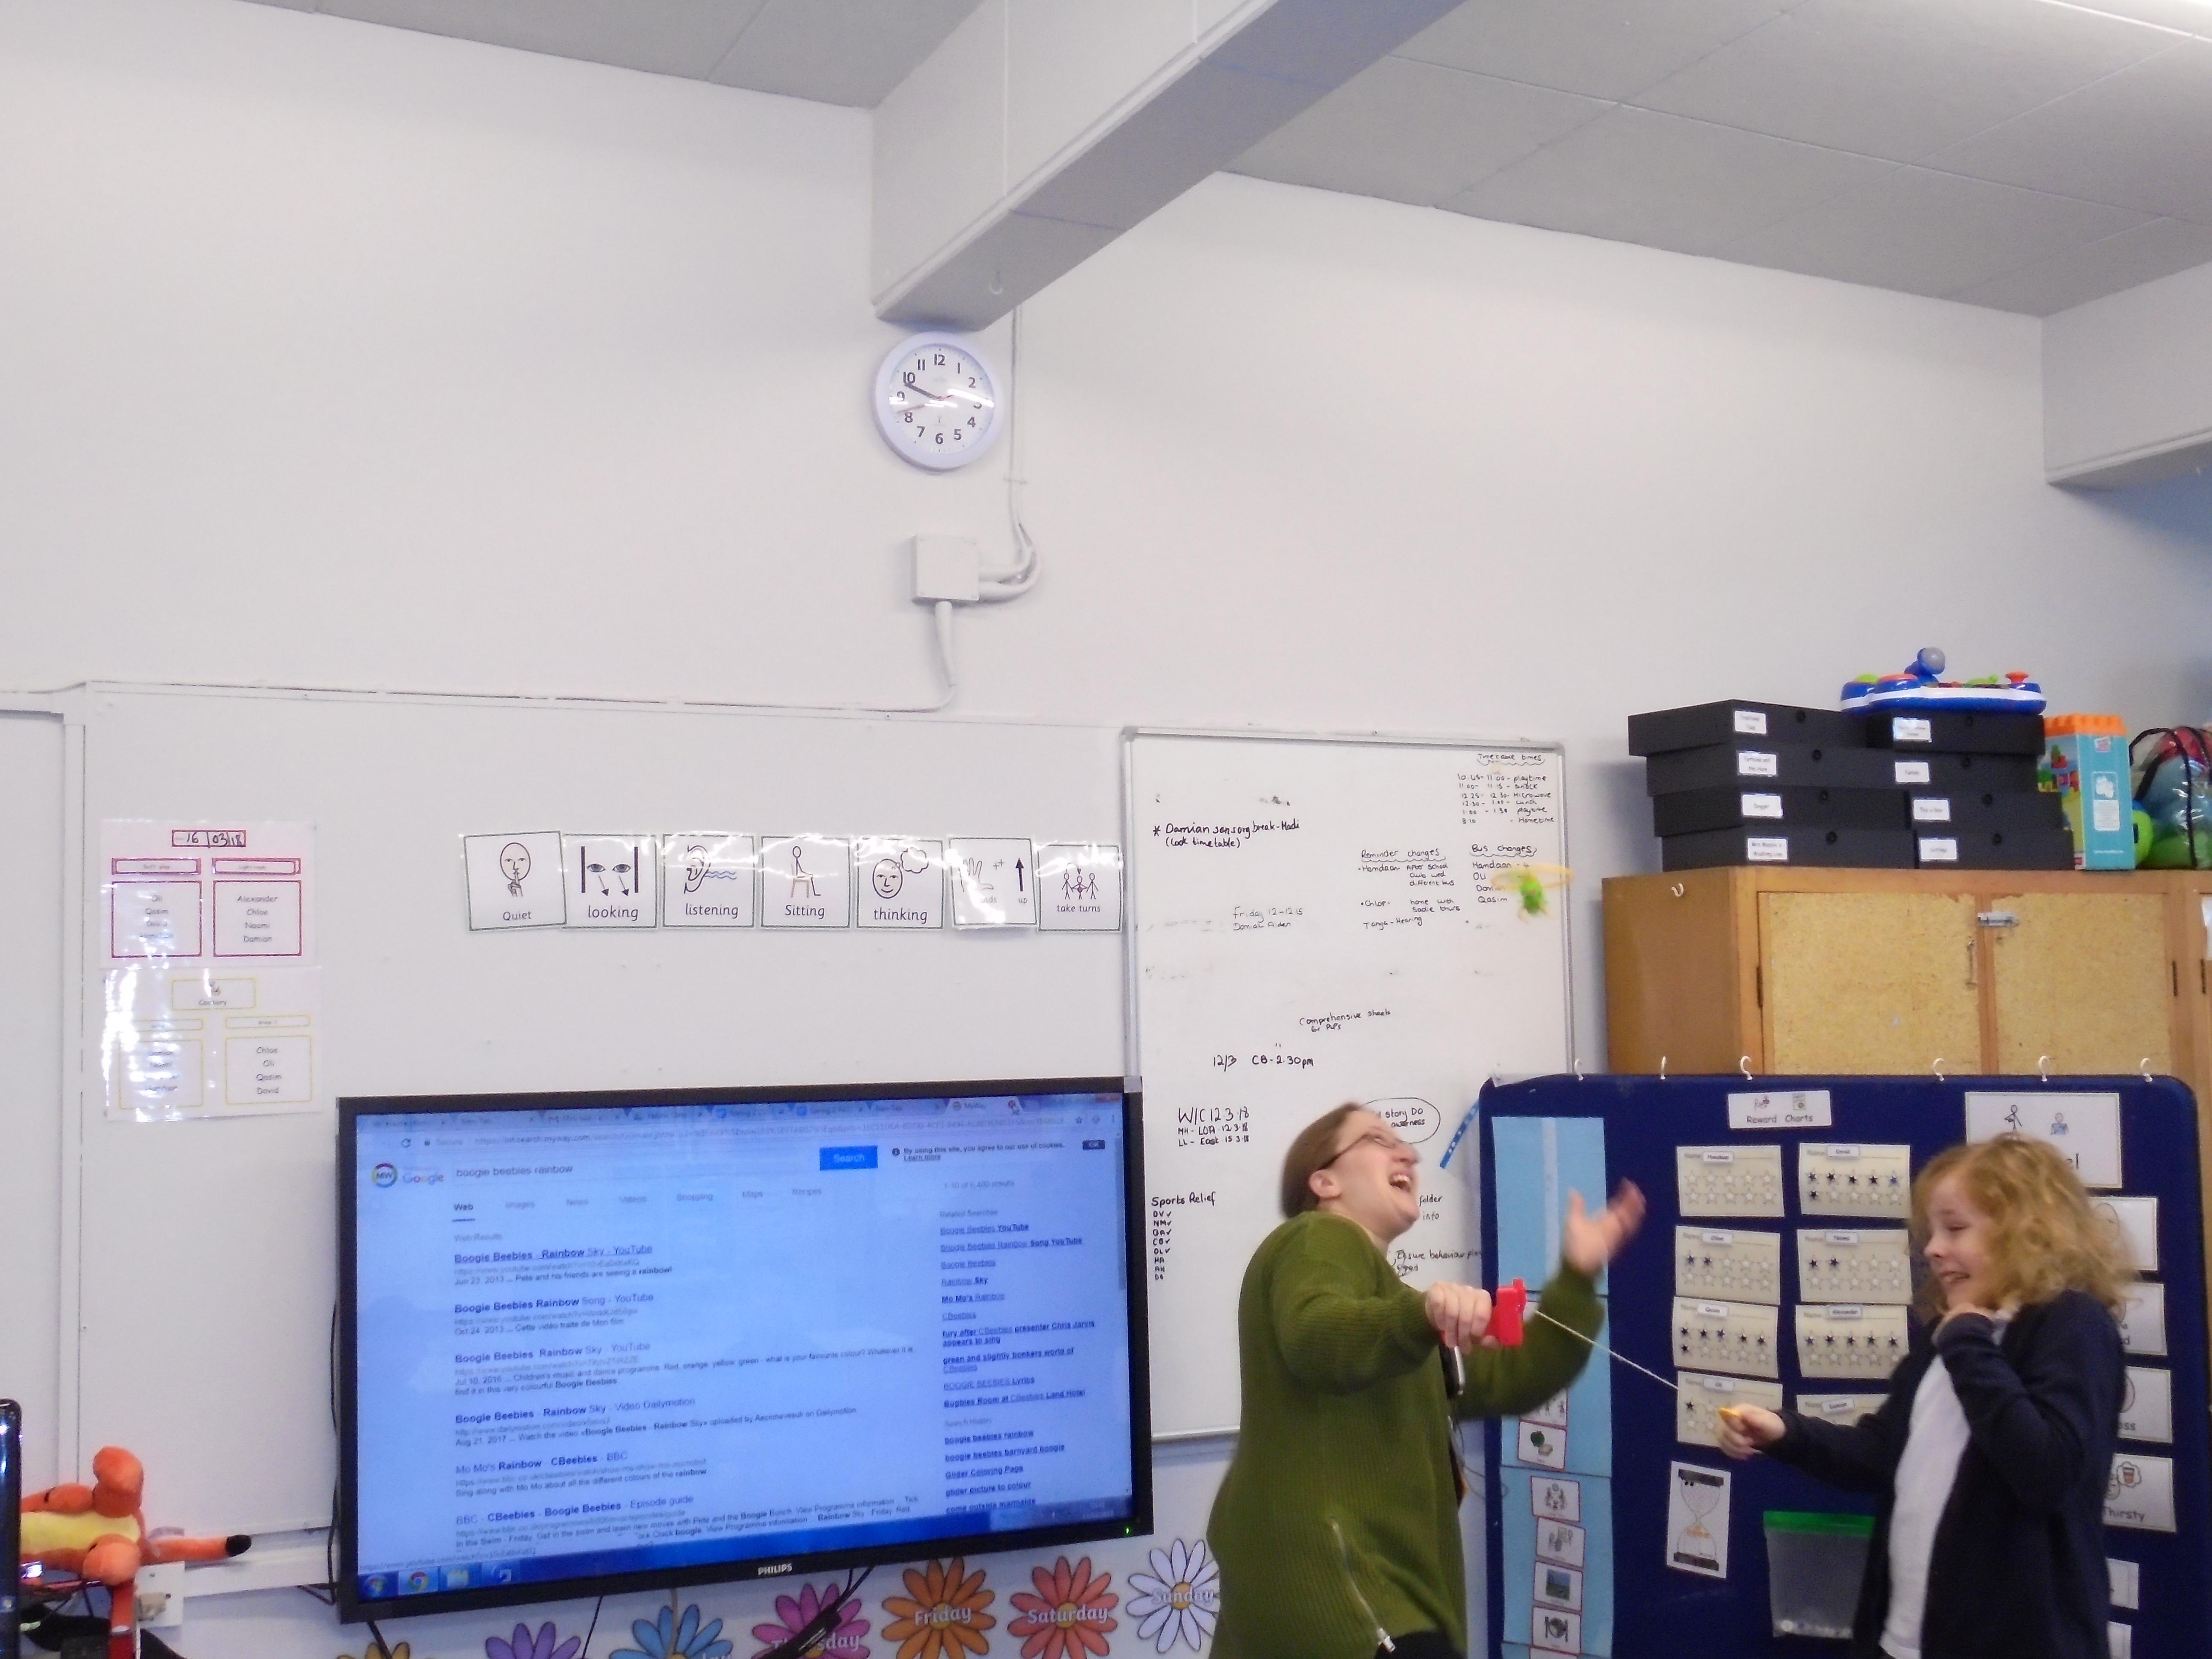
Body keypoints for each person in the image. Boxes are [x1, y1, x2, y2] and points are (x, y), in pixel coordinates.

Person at [1206, 1102, 1645, 1659]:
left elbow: (1517, 1378)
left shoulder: (1388, 1313)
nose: (1408, 1154)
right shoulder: (1317, 1236)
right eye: (1377, 1140)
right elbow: (1316, 1338)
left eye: (1403, 1143)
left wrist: (1578, 1275)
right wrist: (1421, 1315)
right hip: (1345, 1596)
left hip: (1354, 1598)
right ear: (1324, 1182)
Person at [1716, 1134, 2130, 1659]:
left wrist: (1968, 1346)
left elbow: (2046, 1470)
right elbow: (1881, 1453)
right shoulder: (1951, 1336)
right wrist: (1784, 1433)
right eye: (1931, 1232)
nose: (1933, 1249)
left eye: (1954, 1229)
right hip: (1904, 1640)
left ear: (2027, 1232)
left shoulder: (2070, 1325)